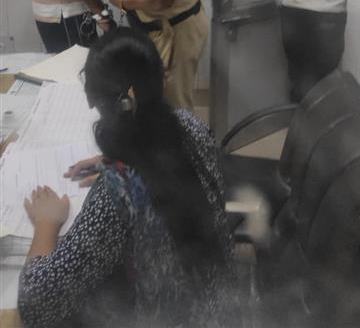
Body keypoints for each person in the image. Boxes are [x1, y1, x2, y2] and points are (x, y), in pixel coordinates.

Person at [18, 28, 238, 328]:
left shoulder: (117, 193)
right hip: (220, 310)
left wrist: (47, 223)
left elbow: (37, 305)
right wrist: (121, 158)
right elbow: (161, 162)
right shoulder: (191, 127)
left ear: (96, 100)